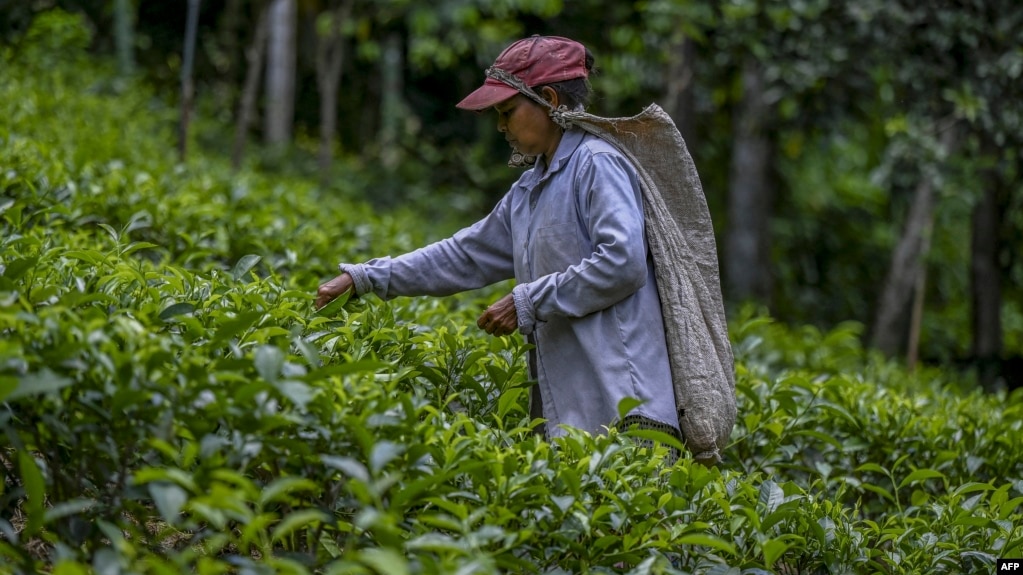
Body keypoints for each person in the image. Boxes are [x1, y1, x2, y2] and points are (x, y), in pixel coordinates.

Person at [315, 35, 683, 452]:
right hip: (577, 428)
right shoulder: (530, 189)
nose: (500, 125)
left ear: (549, 100)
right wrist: (365, 278)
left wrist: (529, 300)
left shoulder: (597, 164)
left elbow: (623, 261)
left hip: (629, 417)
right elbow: (463, 255)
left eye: (507, 111)